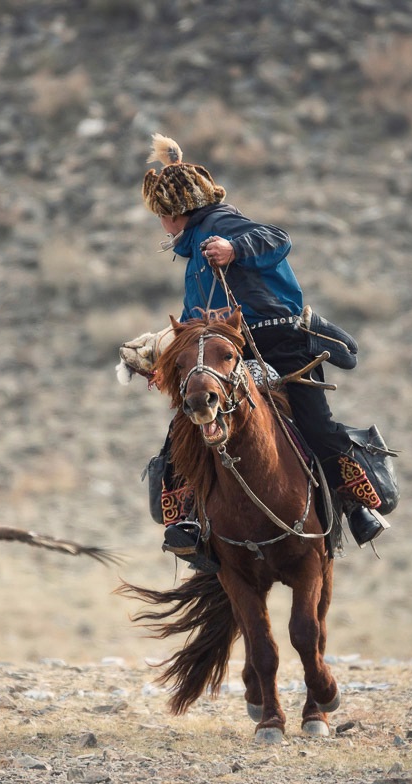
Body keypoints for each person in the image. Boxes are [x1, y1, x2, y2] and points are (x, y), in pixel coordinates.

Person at [139, 133, 391, 572]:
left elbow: (277, 239)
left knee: (316, 422)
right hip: (225, 351)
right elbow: (194, 320)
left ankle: (354, 507)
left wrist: (234, 248)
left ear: (175, 213)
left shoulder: (222, 225)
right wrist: (167, 357)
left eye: (161, 216)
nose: (162, 225)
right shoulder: (193, 254)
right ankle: (189, 523)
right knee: (185, 427)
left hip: (279, 341)